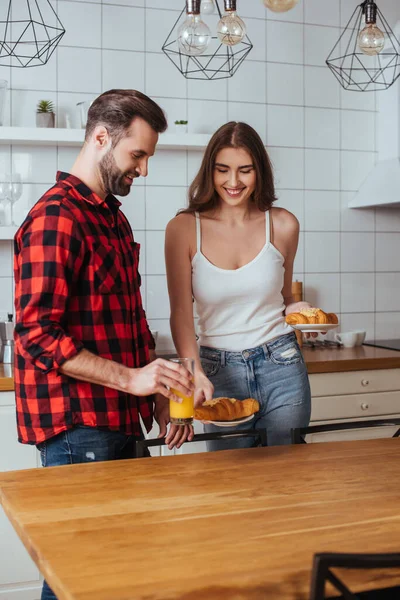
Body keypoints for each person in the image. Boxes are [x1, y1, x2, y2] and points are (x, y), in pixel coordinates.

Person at [14, 90, 194, 600]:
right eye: (137, 154)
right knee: (82, 573)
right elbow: (35, 333)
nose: (143, 168)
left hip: (118, 419)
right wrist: (133, 379)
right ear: (100, 137)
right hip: (77, 429)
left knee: (121, 567)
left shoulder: (110, 217)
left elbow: (130, 320)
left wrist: (156, 391)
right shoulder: (56, 218)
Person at [165, 121, 312, 452]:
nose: (233, 182)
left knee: (288, 477)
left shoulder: (284, 224)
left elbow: (285, 298)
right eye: (222, 170)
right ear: (210, 172)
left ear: (259, 171)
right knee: (230, 482)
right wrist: (196, 371)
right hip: (218, 372)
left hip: (282, 365)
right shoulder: (184, 229)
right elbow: (180, 312)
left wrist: (299, 311)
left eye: (244, 171)